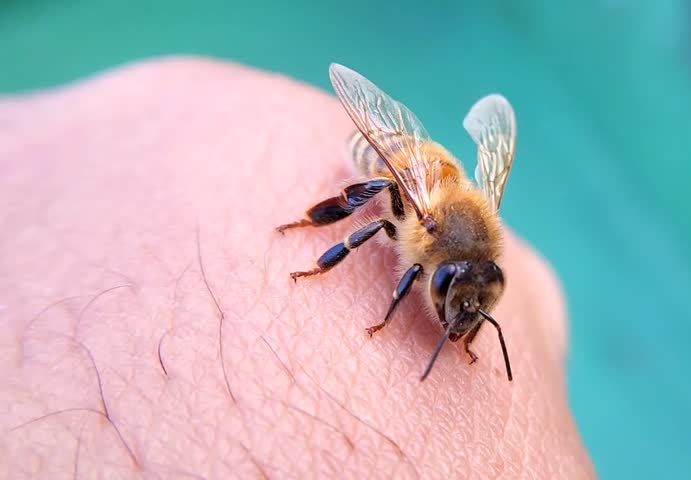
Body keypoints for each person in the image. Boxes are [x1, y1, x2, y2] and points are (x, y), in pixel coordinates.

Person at [0, 57, 596, 478]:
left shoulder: (473, 247)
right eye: (462, 299)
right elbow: (392, 241)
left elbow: (463, 282)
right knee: (374, 215)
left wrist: (465, 328)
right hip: (401, 164)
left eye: (477, 299)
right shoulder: (425, 229)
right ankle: (312, 228)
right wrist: (384, 317)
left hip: (442, 179)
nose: (465, 307)